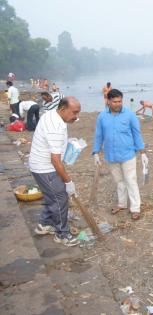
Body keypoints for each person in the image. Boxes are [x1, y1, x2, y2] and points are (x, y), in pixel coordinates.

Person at [29, 97, 81, 247]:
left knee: (52, 197)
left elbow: (53, 143)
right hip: (45, 168)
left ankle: (44, 225)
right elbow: (55, 161)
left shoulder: (51, 113)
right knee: (60, 198)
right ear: (63, 109)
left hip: (39, 164)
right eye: (74, 113)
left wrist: (66, 143)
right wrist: (68, 181)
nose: (76, 117)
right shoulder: (56, 127)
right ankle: (62, 234)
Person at [93, 89, 149, 221]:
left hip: (128, 154)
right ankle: (122, 204)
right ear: (108, 101)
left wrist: (142, 152)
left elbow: (137, 134)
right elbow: (98, 135)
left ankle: (135, 208)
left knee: (131, 181)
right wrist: (95, 152)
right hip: (111, 155)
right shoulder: (102, 116)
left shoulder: (130, 115)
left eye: (120, 101)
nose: (118, 104)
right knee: (119, 181)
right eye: (115, 101)